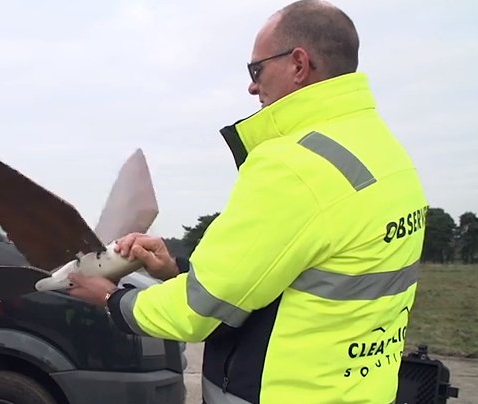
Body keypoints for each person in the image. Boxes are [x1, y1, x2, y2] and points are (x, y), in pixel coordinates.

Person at [67, 1, 427, 403]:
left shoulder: (294, 165)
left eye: (256, 70)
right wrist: (177, 269)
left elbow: (198, 310)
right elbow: (296, 272)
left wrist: (111, 299)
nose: (252, 86)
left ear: (298, 64)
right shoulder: (386, 153)